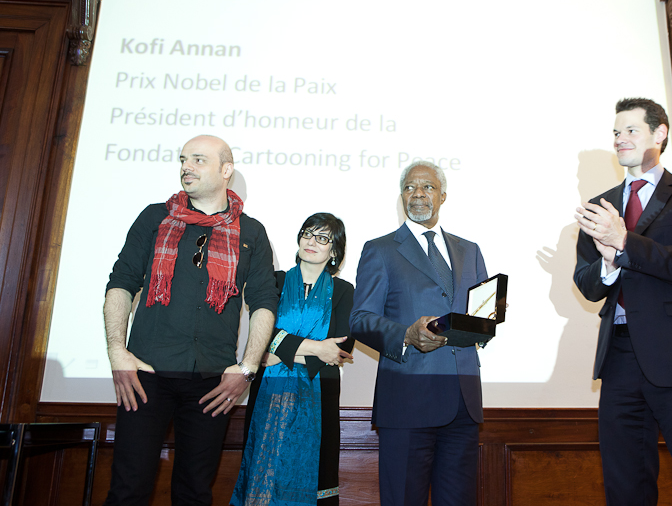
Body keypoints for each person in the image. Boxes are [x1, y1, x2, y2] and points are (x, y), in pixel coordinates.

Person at [573, 98, 672, 506]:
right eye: (615, 132)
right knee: (625, 484)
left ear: (659, 134)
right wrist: (608, 265)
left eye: (630, 130)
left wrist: (624, 242)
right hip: (620, 358)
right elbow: (588, 283)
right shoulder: (600, 206)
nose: (620, 140)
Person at [103, 135, 277, 506]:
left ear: (225, 170)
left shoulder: (252, 232)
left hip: (212, 384)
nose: (186, 167)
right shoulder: (155, 217)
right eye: (184, 159)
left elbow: (263, 302)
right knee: (128, 488)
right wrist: (117, 351)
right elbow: (121, 283)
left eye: (198, 160)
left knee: (195, 493)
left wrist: (247, 368)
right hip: (144, 374)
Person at [349, 160, 488, 506]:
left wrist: (487, 322)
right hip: (407, 401)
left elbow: (479, 318)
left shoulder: (470, 250)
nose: (418, 194)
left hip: (462, 402)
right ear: (402, 196)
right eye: (410, 187)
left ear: (443, 196)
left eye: (427, 187)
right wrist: (407, 335)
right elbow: (360, 318)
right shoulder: (379, 249)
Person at [231, 212, 355, 506]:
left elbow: (339, 347)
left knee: (316, 475)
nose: (312, 241)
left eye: (323, 238)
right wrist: (315, 349)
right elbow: (262, 333)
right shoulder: (275, 281)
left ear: (334, 251)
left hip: (319, 395)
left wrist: (280, 351)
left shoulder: (344, 291)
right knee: (264, 468)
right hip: (269, 395)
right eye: (307, 234)